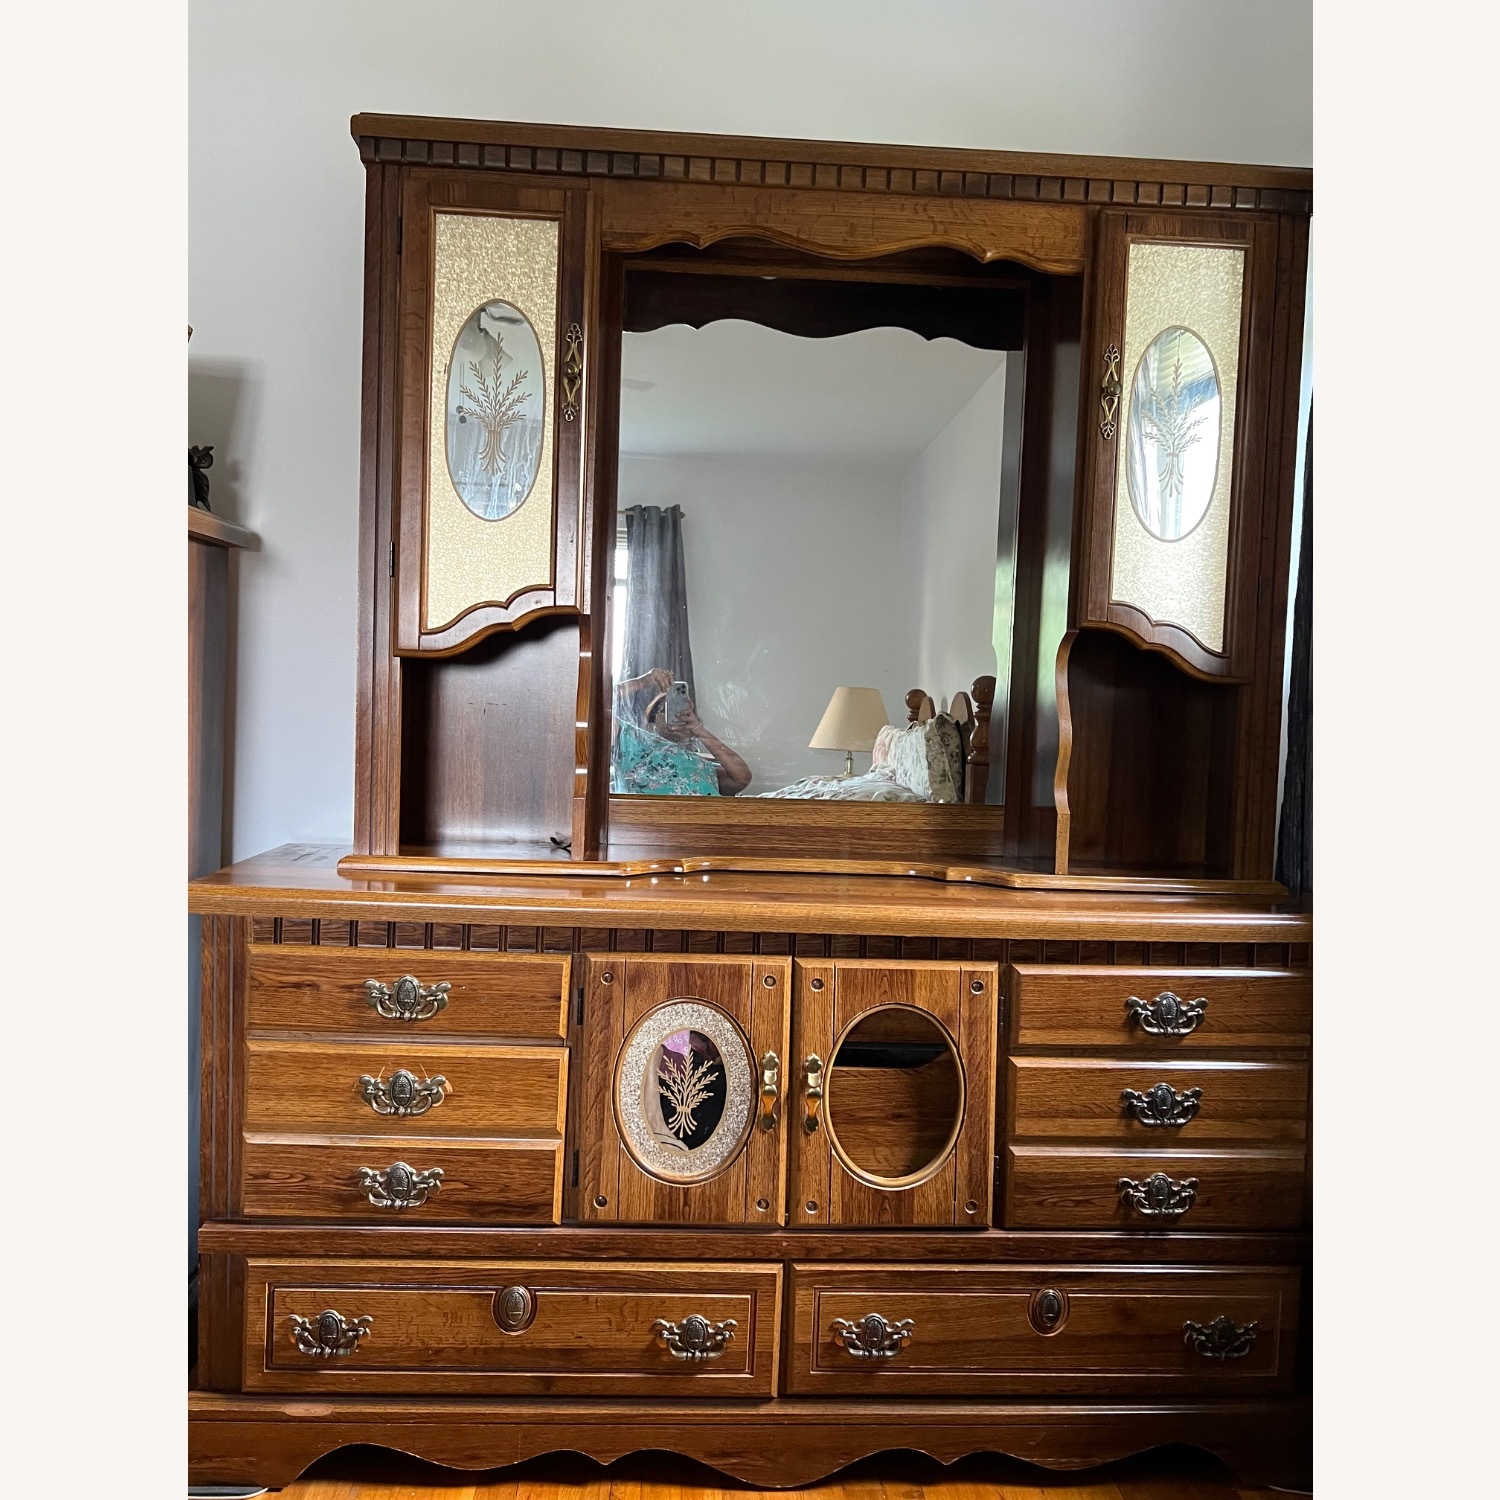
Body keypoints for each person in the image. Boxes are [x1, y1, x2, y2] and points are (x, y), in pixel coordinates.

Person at [612, 667, 753, 796]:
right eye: (666, 709)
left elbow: (741, 779)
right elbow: (593, 707)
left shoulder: (702, 765)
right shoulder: (633, 744)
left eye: (684, 709)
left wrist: (699, 730)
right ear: (651, 725)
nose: (678, 714)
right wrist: (642, 682)